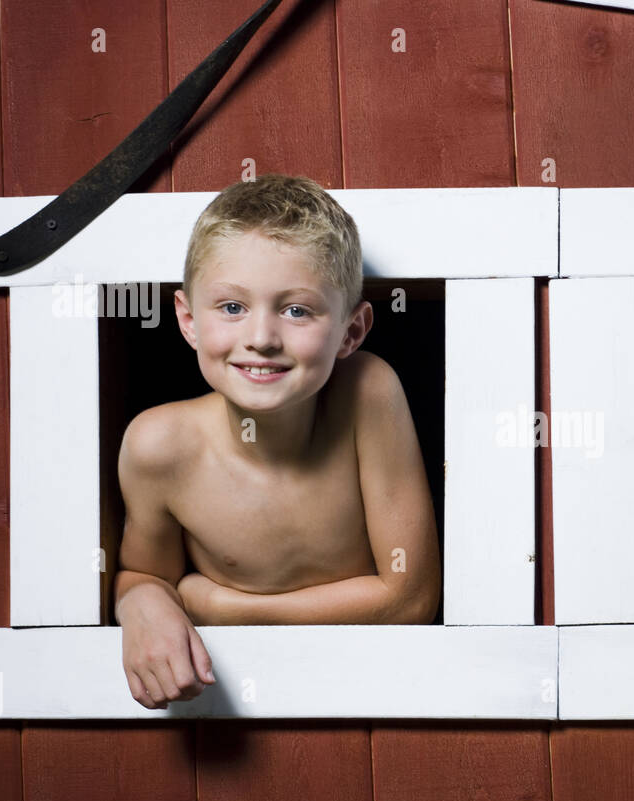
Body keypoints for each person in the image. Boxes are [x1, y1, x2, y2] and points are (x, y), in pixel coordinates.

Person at [113, 174, 441, 709]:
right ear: (188, 320)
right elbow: (145, 573)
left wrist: (220, 606)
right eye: (232, 307)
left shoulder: (367, 392)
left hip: (369, 693)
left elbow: (410, 597)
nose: (262, 338)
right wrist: (145, 602)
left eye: (296, 310)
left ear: (351, 333)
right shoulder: (159, 445)